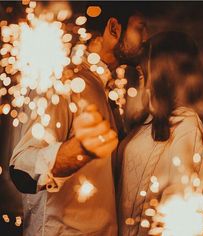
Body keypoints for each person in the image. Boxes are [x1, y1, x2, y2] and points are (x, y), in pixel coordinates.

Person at [9, 3, 147, 236]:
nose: (145, 38)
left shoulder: (105, 88)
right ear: (114, 28)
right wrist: (78, 150)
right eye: (140, 28)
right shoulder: (64, 81)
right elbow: (22, 167)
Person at [118, 31, 203, 236]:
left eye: (144, 71)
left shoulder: (185, 123)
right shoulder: (146, 120)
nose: (141, 77)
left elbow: (179, 201)